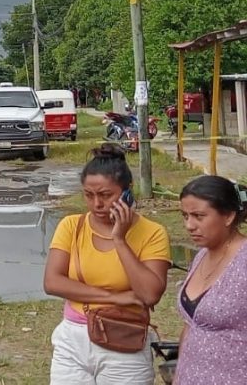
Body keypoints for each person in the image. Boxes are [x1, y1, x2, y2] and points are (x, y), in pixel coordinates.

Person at [43, 145, 170, 384]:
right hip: (73, 340)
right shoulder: (71, 226)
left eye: (105, 195)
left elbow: (149, 294)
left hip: (124, 338)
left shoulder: (152, 233)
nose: (96, 204)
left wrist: (119, 239)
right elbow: (53, 282)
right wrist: (115, 297)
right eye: (88, 195)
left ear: (128, 192)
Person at [173, 176, 247, 383]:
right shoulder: (201, 256)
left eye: (199, 216)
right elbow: (190, 326)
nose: (189, 225)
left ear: (228, 216)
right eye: (185, 216)